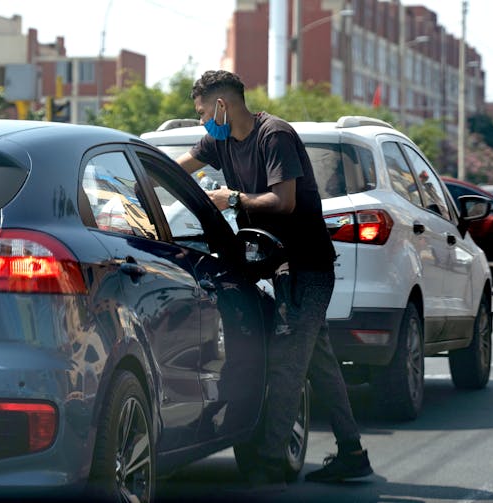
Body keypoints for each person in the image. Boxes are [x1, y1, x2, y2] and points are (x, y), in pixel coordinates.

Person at [175, 70, 373, 487]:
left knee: (287, 364)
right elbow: (179, 172)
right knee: (316, 361)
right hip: (271, 265)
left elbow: (283, 202)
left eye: (203, 112)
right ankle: (353, 453)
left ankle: (268, 465)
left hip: (307, 268)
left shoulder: (274, 135)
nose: (201, 122)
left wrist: (231, 198)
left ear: (223, 106)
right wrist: (130, 191)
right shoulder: (219, 139)